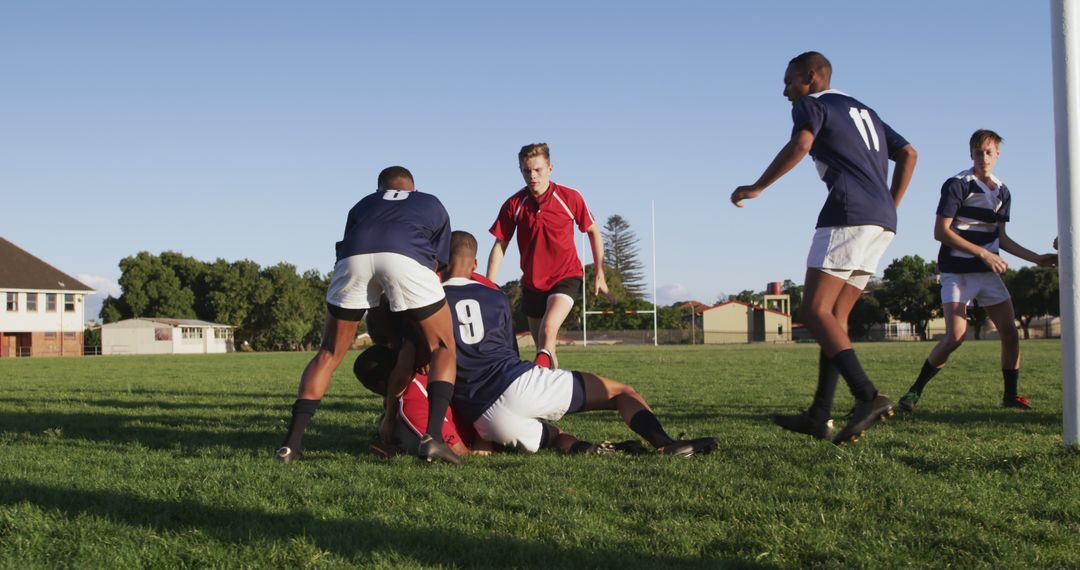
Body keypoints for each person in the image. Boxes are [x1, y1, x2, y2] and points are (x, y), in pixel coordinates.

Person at [731, 51, 918, 445]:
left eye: (789, 81)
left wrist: (758, 186)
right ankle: (819, 413)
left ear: (810, 77)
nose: (785, 92)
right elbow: (909, 153)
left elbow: (801, 144)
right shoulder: (864, 110)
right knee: (835, 317)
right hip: (882, 219)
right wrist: (889, 203)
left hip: (848, 213)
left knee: (814, 310)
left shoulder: (811, 105)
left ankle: (868, 396)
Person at [448, 230, 716, 456]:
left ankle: (588, 449)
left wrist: (479, 434)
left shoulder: (432, 300)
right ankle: (665, 444)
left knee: (555, 436)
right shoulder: (495, 297)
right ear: (475, 264)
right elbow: (509, 351)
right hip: (516, 384)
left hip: (484, 417)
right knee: (621, 392)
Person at [275, 166, 462, 465]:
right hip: (407, 256)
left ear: (380, 190)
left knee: (328, 352)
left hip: (354, 258)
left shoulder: (363, 204)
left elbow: (351, 252)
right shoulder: (429, 202)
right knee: (442, 346)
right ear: (413, 188)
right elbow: (436, 264)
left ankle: (290, 445)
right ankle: (433, 438)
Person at [898, 130, 1057, 412]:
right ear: (971, 154)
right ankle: (913, 392)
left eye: (988, 152)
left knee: (1010, 333)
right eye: (977, 152)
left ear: (997, 154)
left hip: (986, 274)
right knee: (955, 337)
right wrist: (983, 253)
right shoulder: (958, 185)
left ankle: (1010, 396)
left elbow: (1002, 238)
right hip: (956, 273)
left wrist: (1036, 259)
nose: (983, 157)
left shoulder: (1003, 191)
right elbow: (940, 232)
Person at [486, 143, 614, 369]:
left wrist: (600, 272)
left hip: (565, 277)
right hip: (533, 284)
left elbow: (594, 231)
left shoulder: (570, 197)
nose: (532, 176)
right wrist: (488, 284)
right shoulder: (514, 204)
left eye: (538, 170)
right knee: (544, 349)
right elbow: (500, 245)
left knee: (548, 329)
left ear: (550, 168)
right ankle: (552, 397)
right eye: (526, 171)